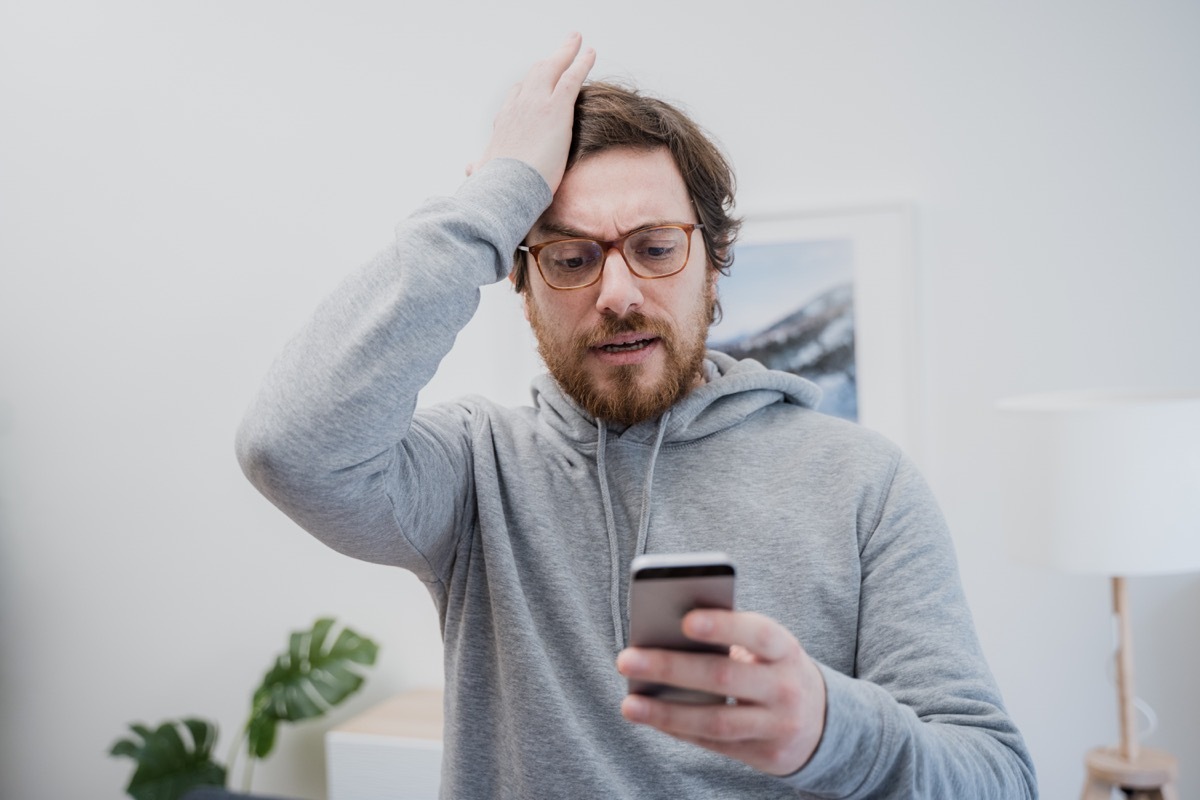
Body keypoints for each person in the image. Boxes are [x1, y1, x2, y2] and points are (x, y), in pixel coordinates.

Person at [236, 34, 1037, 799]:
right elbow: (288, 447)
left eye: (656, 248)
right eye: (571, 256)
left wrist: (832, 730)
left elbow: (998, 779)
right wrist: (495, 196)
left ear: (713, 264)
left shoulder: (868, 485)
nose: (617, 295)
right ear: (522, 284)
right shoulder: (475, 474)